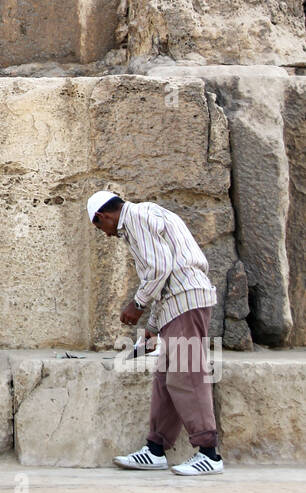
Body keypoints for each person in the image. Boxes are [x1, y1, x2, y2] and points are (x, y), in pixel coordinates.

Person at [86, 190, 223, 477]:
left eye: (99, 228)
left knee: (187, 374)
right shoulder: (148, 213)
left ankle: (209, 454)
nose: (105, 234)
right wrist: (150, 329)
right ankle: (155, 449)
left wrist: (137, 305)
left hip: (186, 300)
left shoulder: (133, 218)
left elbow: (160, 268)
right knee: (166, 378)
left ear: (102, 216)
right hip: (178, 301)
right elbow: (164, 280)